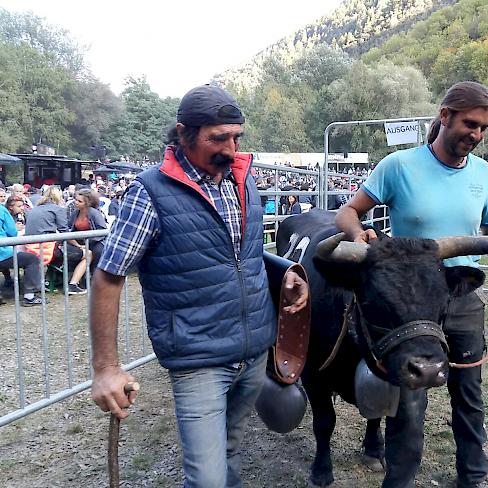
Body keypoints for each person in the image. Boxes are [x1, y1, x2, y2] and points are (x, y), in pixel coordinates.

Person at [89, 84, 309, 488]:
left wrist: (285, 273)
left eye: (236, 137)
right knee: (207, 478)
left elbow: (243, 254)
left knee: (230, 453)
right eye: (218, 138)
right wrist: (105, 367)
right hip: (199, 358)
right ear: (183, 133)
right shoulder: (149, 192)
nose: (230, 148)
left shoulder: (241, 180)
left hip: (254, 350)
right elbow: (109, 274)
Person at [335, 81, 488, 488]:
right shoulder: (398, 166)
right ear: (444, 116)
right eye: (469, 124)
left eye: (483, 128)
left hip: (461, 295)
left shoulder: (483, 173)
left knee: (469, 395)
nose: (475, 135)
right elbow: (348, 212)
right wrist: (358, 234)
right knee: (410, 399)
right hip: (412, 302)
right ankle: (399, 480)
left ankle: (472, 478)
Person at [24, 186, 90, 295]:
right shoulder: (57, 209)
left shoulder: (35, 209)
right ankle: (73, 284)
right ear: (58, 196)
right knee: (88, 254)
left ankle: (53, 279)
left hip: (31, 249)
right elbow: (65, 232)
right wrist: (79, 245)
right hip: (47, 249)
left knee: (67, 250)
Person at [0, 200, 44, 306]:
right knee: (32, 259)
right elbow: (12, 232)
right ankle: (30, 296)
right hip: (2, 253)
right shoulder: (2, 210)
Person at [68, 188, 107, 274]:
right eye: (76, 200)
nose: (76, 202)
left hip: (96, 241)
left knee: (98, 252)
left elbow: (102, 231)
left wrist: (88, 242)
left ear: (87, 203)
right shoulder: (75, 213)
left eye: (79, 201)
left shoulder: (94, 213)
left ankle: (96, 276)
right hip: (80, 241)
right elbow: (69, 228)